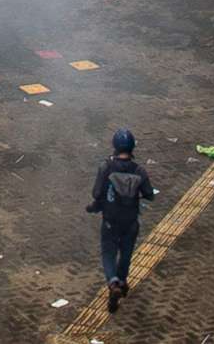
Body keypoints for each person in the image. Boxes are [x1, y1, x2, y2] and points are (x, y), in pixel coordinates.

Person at [85, 127, 155, 312]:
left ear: (115, 146)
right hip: (130, 222)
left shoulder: (106, 167)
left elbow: (96, 192)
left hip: (110, 221)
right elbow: (149, 194)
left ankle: (113, 281)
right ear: (132, 147)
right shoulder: (139, 171)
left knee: (108, 253)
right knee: (125, 255)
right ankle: (122, 281)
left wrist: (96, 205)